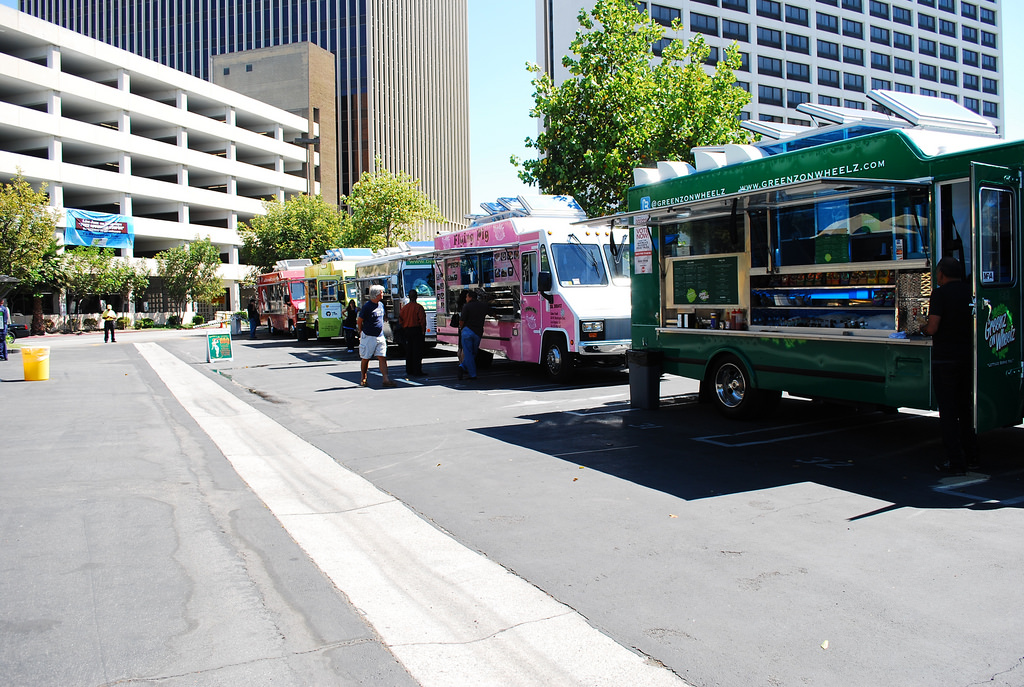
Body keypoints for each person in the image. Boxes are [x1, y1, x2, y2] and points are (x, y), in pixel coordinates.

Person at [921, 257, 977, 474]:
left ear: (941, 274)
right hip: (966, 358)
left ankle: (955, 461)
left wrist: (922, 328)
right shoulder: (969, 292)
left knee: (948, 412)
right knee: (965, 410)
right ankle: (972, 455)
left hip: (945, 359)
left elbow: (933, 327)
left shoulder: (940, 294)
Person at [357, 284, 396, 388]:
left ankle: (385, 379)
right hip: (369, 336)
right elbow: (360, 320)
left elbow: (383, 317)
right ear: (376, 294)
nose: (383, 294)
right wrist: (361, 331)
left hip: (380, 335)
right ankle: (363, 378)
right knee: (366, 357)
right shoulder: (367, 307)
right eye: (381, 293)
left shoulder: (381, 305)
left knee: (382, 357)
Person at [458, 289, 491, 381]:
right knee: (473, 352)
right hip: (478, 332)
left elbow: (462, 320)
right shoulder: (483, 306)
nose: (466, 298)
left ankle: (470, 373)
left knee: (468, 353)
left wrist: (462, 329)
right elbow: (492, 313)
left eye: (467, 297)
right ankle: (463, 367)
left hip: (467, 331)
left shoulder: (466, 307)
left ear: (470, 297)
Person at [399, 290, 427, 376]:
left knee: (409, 351)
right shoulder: (419, 307)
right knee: (417, 351)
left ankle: (409, 370)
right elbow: (422, 320)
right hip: (416, 330)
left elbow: (400, 320)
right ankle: (417, 370)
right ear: (416, 297)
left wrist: (404, 327)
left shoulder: (404, 308)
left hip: (407, 330)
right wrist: (423, 331)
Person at [0, 297, 10, 361]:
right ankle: (4, 355)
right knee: (2, 341)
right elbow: (6, 319)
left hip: (1, 328)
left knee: (1, 342)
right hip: (3, 328)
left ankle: (1, 355)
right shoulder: (4, 309)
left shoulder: (3, 309)